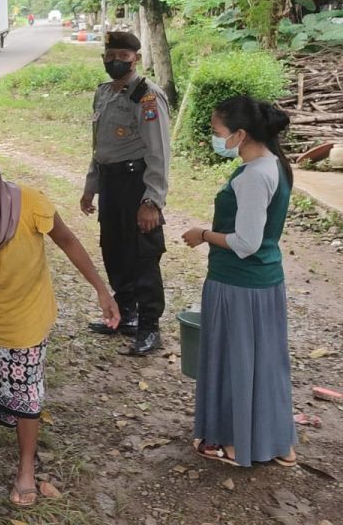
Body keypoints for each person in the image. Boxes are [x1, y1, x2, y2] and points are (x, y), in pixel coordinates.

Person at [0, 135, 119, 508]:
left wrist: (101, 290)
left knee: (26, 398)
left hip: (25, 319)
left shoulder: (30, 204)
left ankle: (25, 469)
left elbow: (68, 241)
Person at [180, 96, 297, 468]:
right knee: (265, 364)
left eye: (218, 131)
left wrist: (203, 234)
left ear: (241, 134)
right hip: (266, 282)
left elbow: (245, 243)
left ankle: (232, 443)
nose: (216, 138)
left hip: (238, 284)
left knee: (233, 362)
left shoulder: (253, 176)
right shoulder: (275, 165)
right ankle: (278, 443)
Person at [80, 30, 171, 356]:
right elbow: (99, 146)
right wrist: (91, 187)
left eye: (123, 56)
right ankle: (125, 313)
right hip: (111, 183)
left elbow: (159, 153)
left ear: (136, 58)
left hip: (137, 184)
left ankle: (149, 327)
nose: (115, 61)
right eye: (110, 55)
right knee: (113, 248)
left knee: (143, 255)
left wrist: (152, 201)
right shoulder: (103, 93)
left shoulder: (147, 97)